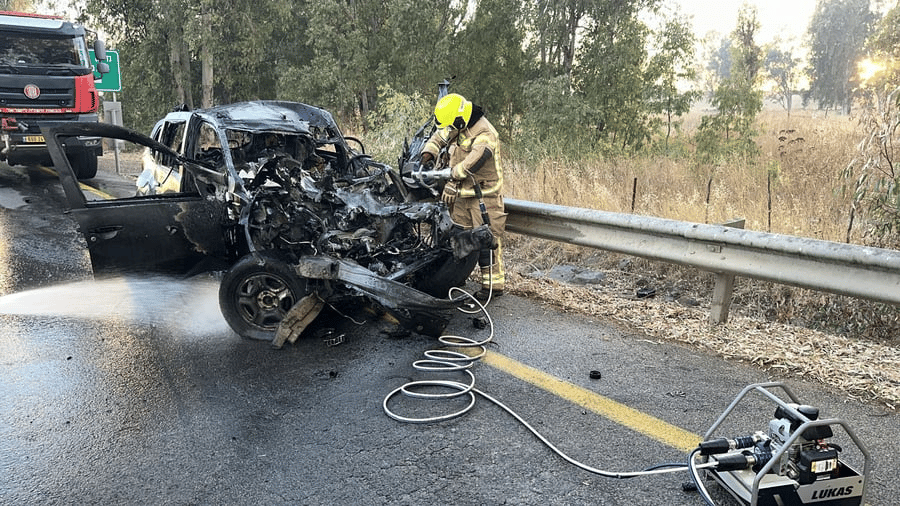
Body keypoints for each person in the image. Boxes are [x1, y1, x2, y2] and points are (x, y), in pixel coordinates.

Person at [420, 93, 506, 301]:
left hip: (483, 196)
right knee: (459, 239)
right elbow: (440, 136)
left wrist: (452, 178)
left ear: (459, 120)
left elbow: (472, 163)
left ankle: (493, 285)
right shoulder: (456, 125)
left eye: (451, 125)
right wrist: (427, 155)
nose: (448, 130)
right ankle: (458, 277)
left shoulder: (485, 132)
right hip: (461, 197)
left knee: (487, 241)